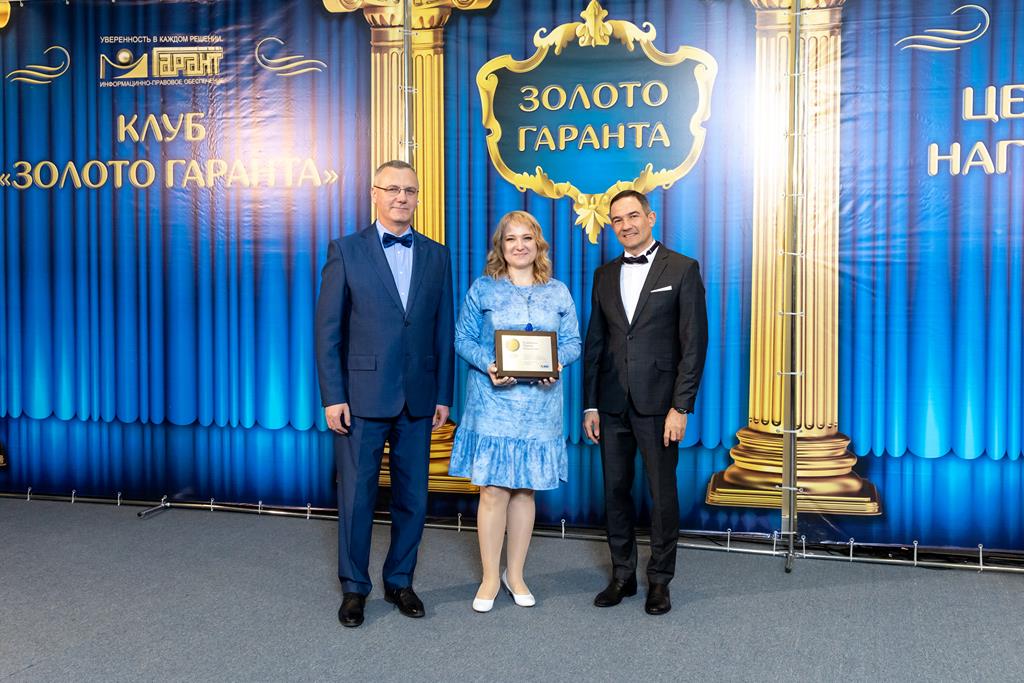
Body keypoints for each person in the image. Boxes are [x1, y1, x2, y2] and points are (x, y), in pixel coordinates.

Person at [315, 160, 454, 628]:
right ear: (374, 194)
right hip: (360, 398)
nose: (401, 197)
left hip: (419, 398)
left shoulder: (437, 255)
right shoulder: (345, 250)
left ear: (418, 197)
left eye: (409, 190)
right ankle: (354, 588)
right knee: (357, 498)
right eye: (391, 188)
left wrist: (443, 394)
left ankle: (400, 581)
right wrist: (333, 396)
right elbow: (328, 331)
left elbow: (442, 329)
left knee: (413, 497)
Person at [582, 189, 708, 616]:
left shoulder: (683, 268)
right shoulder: (604, 275)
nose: (626, 225)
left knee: (661, 494)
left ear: (650, 218)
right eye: (617, 219)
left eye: (633, 216)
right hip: (612, 403)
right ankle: (622, 575)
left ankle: (659, 580)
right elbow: (595, 343)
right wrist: (590, 405)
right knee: (614, 491)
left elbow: (694, 345)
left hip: (660, 405)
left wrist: (681, 406)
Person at [448, 210, 581, 613]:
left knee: (525, 490)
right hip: (492, 404)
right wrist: (488, 363)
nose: (519, 246)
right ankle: (490, 577)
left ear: (538, 244)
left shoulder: (558, 291)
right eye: (511, 239)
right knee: (493, 490)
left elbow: (573, 342)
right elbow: (462, 338)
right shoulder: (483, 288)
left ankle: (516, 574)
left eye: (527, 238)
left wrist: (556, 363)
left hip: (540, 407)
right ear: (500, 247)